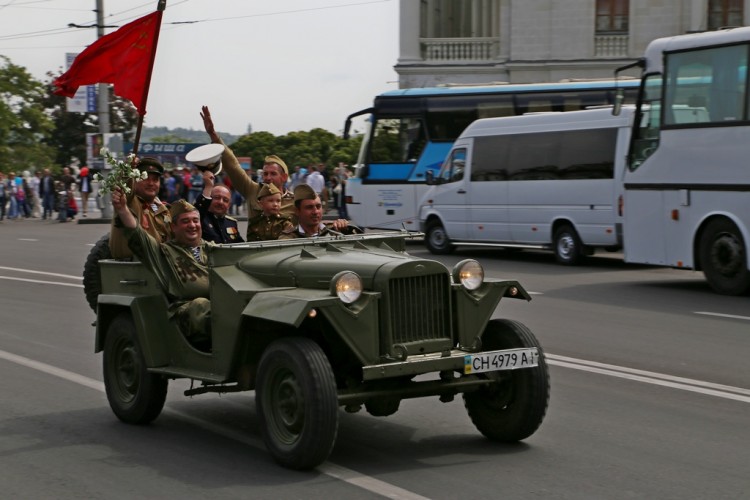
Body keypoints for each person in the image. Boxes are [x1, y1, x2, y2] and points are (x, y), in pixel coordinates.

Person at [111, 194, 212, 348]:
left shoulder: (213, 249)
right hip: (188, 311)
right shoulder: (164, 252)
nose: (192, 225)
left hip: (219, 303)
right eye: (185, 221)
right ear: (173, 227)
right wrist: (123, 210)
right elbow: (139, 237)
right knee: (201, 305)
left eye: (195, 221)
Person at [200, 106, 297, 229]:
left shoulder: (296, 201)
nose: (268, 178)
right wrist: (213, 135)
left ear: (284, 177)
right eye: (265, 174)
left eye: (273, 174)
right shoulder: (253, 190)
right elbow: (232, 166)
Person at [109, 157, 172, 259]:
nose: (151, 183)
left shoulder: (163, 208)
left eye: (155, 180)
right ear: (135, 180)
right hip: (133, 268)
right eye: (145, 178)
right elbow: (123, 188)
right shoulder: (129, 202)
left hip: (161, 266)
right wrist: (127, 169)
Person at [279, 184, 356, 239]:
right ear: (297, 211)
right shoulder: (288, 238)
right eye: (309, 207)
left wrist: (346, 230)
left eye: (318, 206)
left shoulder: (334, 230)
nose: (315, 212)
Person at [194, 170, 243, 244]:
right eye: (216, 197)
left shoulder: (231, 223)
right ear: (209, 199)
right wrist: (208, 187)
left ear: (229, 205)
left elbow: (240, 245)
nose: (220, 202)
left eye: (225, 200)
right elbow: (199, 208)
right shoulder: (200, 218)